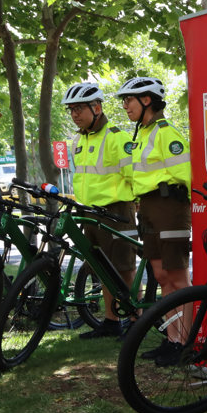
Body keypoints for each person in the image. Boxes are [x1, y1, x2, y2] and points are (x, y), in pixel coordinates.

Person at [117, 76, 192, 362]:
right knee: (161, 276)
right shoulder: (143, 134)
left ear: (146, 100)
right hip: (147, 206)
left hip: (169, 206)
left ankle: (185, 342)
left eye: (129, 100)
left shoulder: (166, 133)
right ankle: (172, 339)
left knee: (178, 276)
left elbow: (185, 174)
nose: (125, 106)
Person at [62, 81, 137, 339]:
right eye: (71, 109)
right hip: (90, 212)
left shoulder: (117, 137)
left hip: (117, 211)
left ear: (97, 107)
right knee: (103, 269)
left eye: (79, 108)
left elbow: (134, 176)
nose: (74, 114)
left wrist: (133, 206)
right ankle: (111, 320)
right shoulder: (77, 141)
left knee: (124, 267)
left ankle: (135, 320)